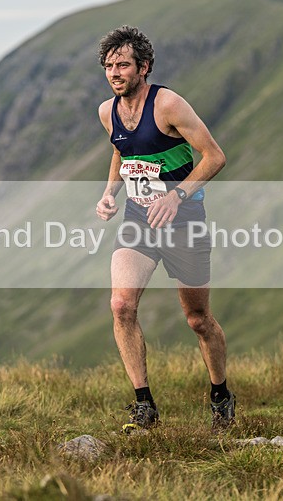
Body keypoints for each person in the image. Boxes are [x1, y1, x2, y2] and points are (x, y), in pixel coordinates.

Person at [95, 25, 234, 432]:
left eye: (123, 64)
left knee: (197, 319)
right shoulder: (107, 111)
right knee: (121, 305)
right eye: (108, 66)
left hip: (184, 221)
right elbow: (123, 150)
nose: (114, 72)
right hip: (139, 220)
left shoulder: (169, 105)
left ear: (145, 67)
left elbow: (215, 156)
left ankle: (221, 394)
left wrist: (178, 196)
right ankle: (144, 405)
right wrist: (109, 194)